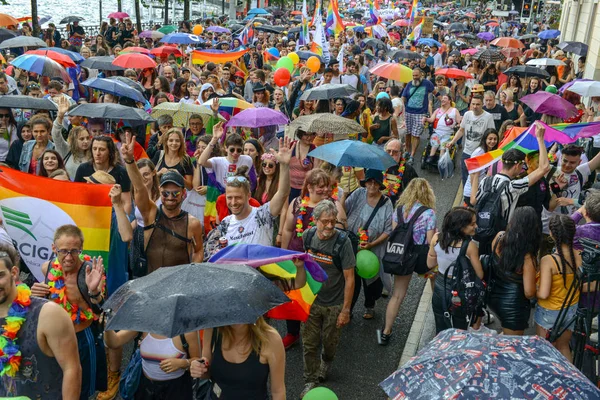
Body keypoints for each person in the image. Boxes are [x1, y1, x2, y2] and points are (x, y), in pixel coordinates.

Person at [30, 225, 108, 399]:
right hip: (54, 340)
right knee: (55, 386)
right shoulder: (47, 268)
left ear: (81, 249)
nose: (68, 257)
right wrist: (33, 293)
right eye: (63, 251)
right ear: (53, 248)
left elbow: (102, 309)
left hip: (82, 339)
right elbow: (37, 304)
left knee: (82, 389)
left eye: (74, 251)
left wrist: (94, 292)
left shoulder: (91, 272)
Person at [280, 168, 348, 349]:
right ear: (309, 186)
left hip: (320, 262)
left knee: (317, 301)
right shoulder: (297, 203)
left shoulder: (333, 206)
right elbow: (288, 230)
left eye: (328, 186)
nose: (326, 190)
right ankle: (292, 333)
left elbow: (342, 230)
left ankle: (315, 335)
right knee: (294, 296)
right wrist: (283, 255)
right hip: (296, 258)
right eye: (321, 186)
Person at [121, 132, 204, 276]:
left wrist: (191, 274)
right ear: (160, 191)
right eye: (165, 193)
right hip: (148, 281)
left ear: (183, 193)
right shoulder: (151, 214)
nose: (170, 197)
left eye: (175, 193)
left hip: (177, 285)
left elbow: (198, 251)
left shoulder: (192, 224)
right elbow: (139, 188)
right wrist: (130, 161)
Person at [300, 200, 355, 397]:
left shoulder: (343, 243)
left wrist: (346, 310)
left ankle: (327, 361)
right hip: (312, 302)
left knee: (330, 343)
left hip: (335, 304)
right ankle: (311, 379)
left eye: (333, 221)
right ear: (315, 221)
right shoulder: (307, 237)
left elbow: (349, 278)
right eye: (325, 222)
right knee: (309, 343)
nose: (330, 226)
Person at [207, 130, 293, 249]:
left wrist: (284, 165)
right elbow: (212, 251)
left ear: (248, 195)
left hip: (260, 267)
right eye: (229, 198)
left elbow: (283, 193)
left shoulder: (262, 215)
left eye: (238, 197)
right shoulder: (225, 223)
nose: (233, 203)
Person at [472, 123, 550, 254]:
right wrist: (540, 139)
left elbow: (474, 201)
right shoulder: (513, 186)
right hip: (501, 236)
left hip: (482, 232)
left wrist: (475, 175)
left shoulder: (486, 180)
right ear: (517, 165)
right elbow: (544, 168)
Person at [380, 178, 436, 344]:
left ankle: (385, 331)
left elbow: (394, 232)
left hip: (401, 256)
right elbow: (430, 239)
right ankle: (440, 323)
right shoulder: (428, 213)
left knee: (397, 295)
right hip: (421, 257)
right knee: (436, 286)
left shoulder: (399, 210)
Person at [190, 317, 286, 400]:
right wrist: (199, 368)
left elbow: (278, 392)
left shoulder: (270, 339)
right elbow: (208, 373)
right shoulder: (212, 330)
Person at [346, 169, 393, 319]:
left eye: (375, 182)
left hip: (374, 247)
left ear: (380, 185)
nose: (372, 185)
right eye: (369, 181)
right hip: (353, 243)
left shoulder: (386, 203)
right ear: (365, 182)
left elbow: (388, 230)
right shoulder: (358, 193)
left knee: (371, 280)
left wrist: (372, 244)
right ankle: (349, 309)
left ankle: (370, 305)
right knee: (352, 278)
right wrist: (342, 197)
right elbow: (344, 210)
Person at [428, 207, 483, 333]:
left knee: (441, 325)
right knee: (459, 328)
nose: (476, 226)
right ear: (461, 226)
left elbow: (430, 263)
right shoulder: (470, 246)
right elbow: (479, 274)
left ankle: (441, 350)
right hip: (460, 290)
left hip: (440, 287)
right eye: (472, 224)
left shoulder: (436, 238)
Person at [104, 328, 200, 399]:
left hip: (176, 389)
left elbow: (198, 360)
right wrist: (107, 328)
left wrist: (182, 363)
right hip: (145, 387)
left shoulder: (187, 332)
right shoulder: (144, 325)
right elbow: (114, 342)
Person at [488, 206, 540, 335]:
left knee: (506, 336)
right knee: (512, 345)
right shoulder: (527, 256)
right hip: (513, 306)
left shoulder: (499, 238)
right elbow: (529, 292)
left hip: (493, 297)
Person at [540, 144, 600, 256]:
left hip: (570, 228)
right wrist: (557, 187)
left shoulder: (580, 172)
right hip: (548, 229)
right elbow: (551, 206)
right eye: (565, 161)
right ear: (560, 158)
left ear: (579, 162)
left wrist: (571, 201)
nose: (567, 165)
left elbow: (597, 159)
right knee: (546, 263)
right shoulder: (550, 172)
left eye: (572, 162)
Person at [536, 214, 582, 362]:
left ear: (551, 234)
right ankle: (567, 379)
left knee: (545, 349)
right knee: (563, 346)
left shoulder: (548, 261)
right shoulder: (579, 255)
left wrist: (531, 290)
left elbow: (543, 293)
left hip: (549, 311)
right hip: (571, 309)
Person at [74, 136, 132, 214]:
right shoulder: (83, 168)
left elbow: (126, 202)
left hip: (112, 215)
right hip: (87, 214)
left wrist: (122, 222)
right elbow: (75, 196)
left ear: (110, 152)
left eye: (102, 149)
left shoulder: (121, 172)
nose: (97, 153)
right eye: (94, 149)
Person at [447, 95, 496, 185]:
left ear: (482, 104)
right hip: (467, 152)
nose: (475, 106)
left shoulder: (488, 117)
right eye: (473, 104)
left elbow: (492, 135)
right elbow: (461, 130)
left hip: (480, 153)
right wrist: (452, 142)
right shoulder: (467, 114)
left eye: (478, 104)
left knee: (478, 178)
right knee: (465, 176)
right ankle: (466, 197)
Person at [402, 68, 434, 163]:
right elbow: (404, 97)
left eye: (416, 75)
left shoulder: (427, 83)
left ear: (421, 75)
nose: (415, 77)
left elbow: (435, 93)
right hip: (408, 112)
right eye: (413, 76)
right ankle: (407, 151)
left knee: (416, 135)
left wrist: (444, 103)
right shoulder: (409, 84)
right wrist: (402, 109)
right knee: (407, 133)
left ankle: (412, 155)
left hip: (420, 113)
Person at [463, 129, 499, 206]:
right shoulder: (479, 152)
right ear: (485, 139)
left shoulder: (492, 152)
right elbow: (473, 174)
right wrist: (474, 193)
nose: (492, 141)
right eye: (490, 139)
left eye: (495, 139)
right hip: (472, 193)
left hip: (481, 190)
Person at [423, 94, 460, 165]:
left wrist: (457, 126)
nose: (442, 100)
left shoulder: (454, 110)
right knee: (435, 143)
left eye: (445, 98)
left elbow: (459, 122)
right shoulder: (437, 110)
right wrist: (426, 118)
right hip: (437, 132)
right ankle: (431, 157)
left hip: (448, 133)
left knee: (443, 145)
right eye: (442, 98)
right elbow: (431, 119)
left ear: (449, 101)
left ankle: (441, 160)